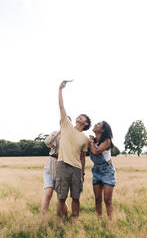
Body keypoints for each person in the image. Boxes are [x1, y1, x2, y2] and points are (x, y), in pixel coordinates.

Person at [55, 81, 91, 222]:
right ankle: (60, 220)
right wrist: (60, 90)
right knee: (61, 197)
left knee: (76, 197)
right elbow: (61, 106)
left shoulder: (85, 138)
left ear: (86, 123)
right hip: (62, 165)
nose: (79, 117)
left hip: (76, 169)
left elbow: (82, 157)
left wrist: (82, 172)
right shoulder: (66, 125)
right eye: (79, 116)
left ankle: (75, 219)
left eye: (83, 117)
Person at [89, 121, 116, 220]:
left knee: (107, 200)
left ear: (103, 130)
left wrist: (91, 141)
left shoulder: (107, 141)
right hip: (96, 171)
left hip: (107, 172)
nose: (95, 125)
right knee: (97, 199)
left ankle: (110, 222)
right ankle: (99, 220)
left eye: (98, 124)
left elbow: (95, 151)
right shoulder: (93, 141)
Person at [41, 130, 68, 216]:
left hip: (62, 168)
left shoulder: (71, 136)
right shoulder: (55, 133)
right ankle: (43, 217)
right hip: (50, 166)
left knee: (60, 197)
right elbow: (47, 142)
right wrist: (58, 134)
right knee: (48, 193)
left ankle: (66, 217)